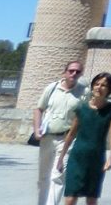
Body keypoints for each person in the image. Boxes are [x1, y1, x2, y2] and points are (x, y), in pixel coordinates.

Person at [56, 72, 111, 205]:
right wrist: (61, 157)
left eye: (103, 85)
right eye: (96, 84)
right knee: (70, 198)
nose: (99, 87)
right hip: (77, 158)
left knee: (91, 199)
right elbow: (71, 134)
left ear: (109, 90)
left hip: (96, 160)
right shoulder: (82, 108)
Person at [35, 59, 86, 205]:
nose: (74, 74)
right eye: (71, 71)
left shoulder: (83, 92)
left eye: (77, 72)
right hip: (47, 137)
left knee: (58, 176)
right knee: (43, 177)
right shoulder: (51, 88)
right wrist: (37, 129)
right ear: (65, 72)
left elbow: (86, 115)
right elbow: (39, 109)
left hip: (67, 139)